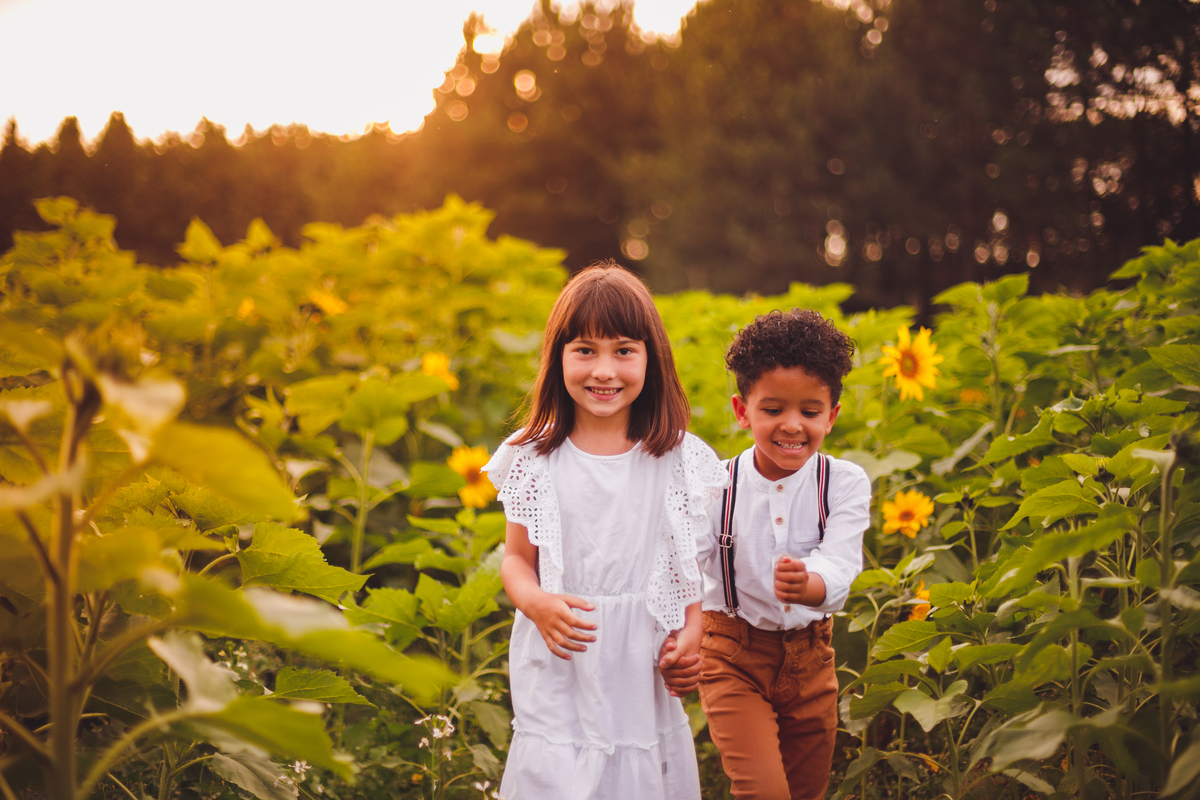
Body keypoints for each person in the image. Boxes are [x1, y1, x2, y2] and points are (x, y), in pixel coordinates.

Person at [484, 262, 727, 800]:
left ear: (651, 358)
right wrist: (536, 604)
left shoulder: (677, 457)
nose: (604, 370)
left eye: (623, 350)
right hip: (561, 653)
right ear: (558, 357)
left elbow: (687, 565)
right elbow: (517, 560)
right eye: (585, 350)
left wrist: (692, 636)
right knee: (555, 776)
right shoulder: (533, 455)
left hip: (640, 664)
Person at [697, 309, 871, 800]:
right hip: (732, 655)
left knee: (805, 793)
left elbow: (840, 560)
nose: (792, 426)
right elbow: (685, 565)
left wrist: (810, 583)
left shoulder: (844, 484)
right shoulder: (715, 486)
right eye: (772, 409)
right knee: (765, 791)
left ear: (832, 415)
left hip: (812, 659)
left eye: (810, 412)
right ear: (742, 411)